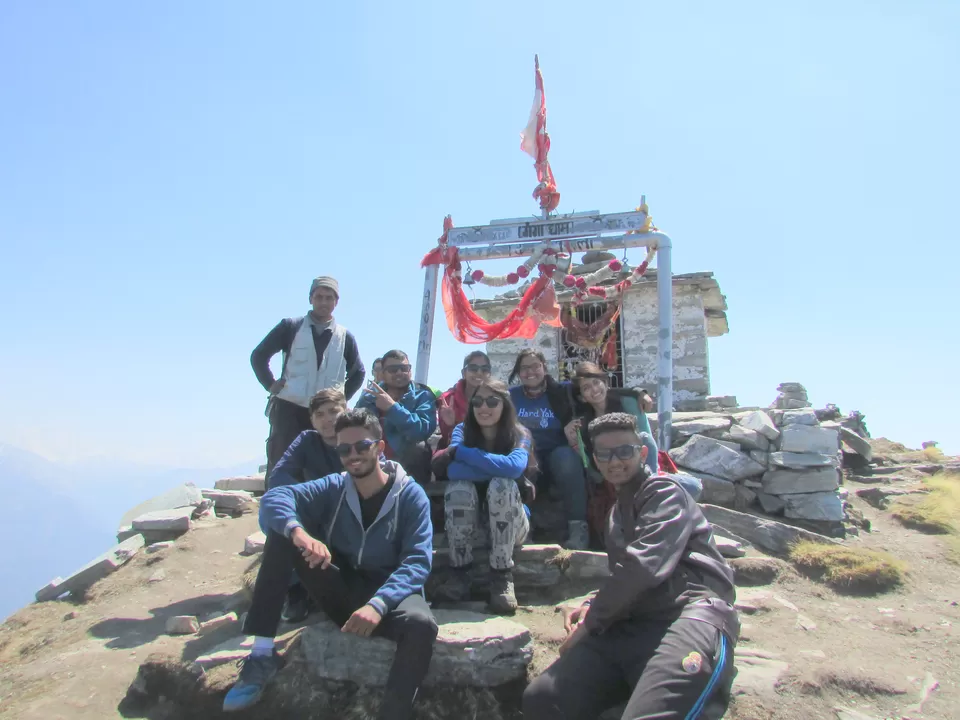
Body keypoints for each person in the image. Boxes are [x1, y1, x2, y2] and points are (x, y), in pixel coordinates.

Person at [522, 413, 739, 720]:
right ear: (594, 459)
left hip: (690, 615)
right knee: (543, 700)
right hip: (634, 623)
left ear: (643, 452)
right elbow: (623, 576)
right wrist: (591, 603)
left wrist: (590, 624)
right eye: (605, 454)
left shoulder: (664, 492)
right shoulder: (614, 515)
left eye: (625, 451)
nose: (615, 462)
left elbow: (643, 566)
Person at [223, 410, 437, 720]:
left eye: (362, 446)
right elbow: (275, 498)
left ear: (379, 447)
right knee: (283, 535)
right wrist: (299, 532)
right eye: (343, 449)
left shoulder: (410, 495)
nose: (353, 455)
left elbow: (417, 561)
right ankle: (261, 653)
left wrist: (378, 604)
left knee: (422, 625)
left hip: (390, 597)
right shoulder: (334, 487)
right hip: (342, 589)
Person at [431, 379, 535, 614]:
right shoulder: (461, 431)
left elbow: (513, 468)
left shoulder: (520, 434)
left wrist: (465, 453)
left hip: (512, 526)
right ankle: (460, 572)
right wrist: (498, 467)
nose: (484, 407)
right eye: (477, 401)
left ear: (505, 405)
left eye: (492, 401)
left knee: (502, 485)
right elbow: (452, 470)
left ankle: (501, 577)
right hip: (471, 525)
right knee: (459, 487)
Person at [251, 276, 365, 483]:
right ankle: (277, 510)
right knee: (282, 465)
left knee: (324, 467)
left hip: (327, 414)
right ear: (310, 299)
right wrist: (270, 384)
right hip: (290, 408)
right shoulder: (291, 327)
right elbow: (259, 356)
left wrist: (340, 398)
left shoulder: (345, 336)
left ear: (336, 302)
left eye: (329, 298)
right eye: (319, 297)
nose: (324, 302)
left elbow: (359, 372)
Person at [268, 388, 347, 623]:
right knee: (283, 526)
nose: (328, 420)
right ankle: (295, 592)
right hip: (319, 515)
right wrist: (307, 496)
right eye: (319, 414)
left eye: (334, 411)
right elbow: (279, 478)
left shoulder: (356, 437)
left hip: (354, 513)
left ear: (346, 411)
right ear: (311, 420)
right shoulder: (307, 441)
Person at [567, 362, 659, 548]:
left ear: (605, 383)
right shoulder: (583, 423)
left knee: (644, 438)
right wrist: (574, 444)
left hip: (638, 469)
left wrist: (640, 391)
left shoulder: (629, 402)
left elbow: (644, 442)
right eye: (586, 388)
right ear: (582, 397)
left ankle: (654, 490)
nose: (594, 390)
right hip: (608, 477)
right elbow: (592, 467)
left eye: (596, 382)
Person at [507, 349, 589, 550]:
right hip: (526, 450)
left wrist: (639, 393)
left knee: (567, 459)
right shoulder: (511, 396)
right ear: (518, 372)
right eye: (524, 368)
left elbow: (598, 390)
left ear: (544, 367)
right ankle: (523, 529)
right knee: (520, 462)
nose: (530, 372)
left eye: (535, 366)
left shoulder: (563, 390)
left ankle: (578, 529)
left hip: (556, 451)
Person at [356, 349, 437, 484]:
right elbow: (357, 430)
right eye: (393, 369)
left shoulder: (423, 395)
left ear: (410, 371)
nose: (399, 373)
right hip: (374, 458)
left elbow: (422, 430)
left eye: (404, 368)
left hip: (408, 463)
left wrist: (393, 408)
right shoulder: (369, 397)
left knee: (418, 448)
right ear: (382, 373)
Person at [435, 350, 493, 451]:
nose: (479, 373)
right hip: (455, 450)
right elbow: (446, 438)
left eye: (485, 369)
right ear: (463, 373)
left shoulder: (496, 400)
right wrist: (450, 425)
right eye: (473, 368)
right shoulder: (448, 399)